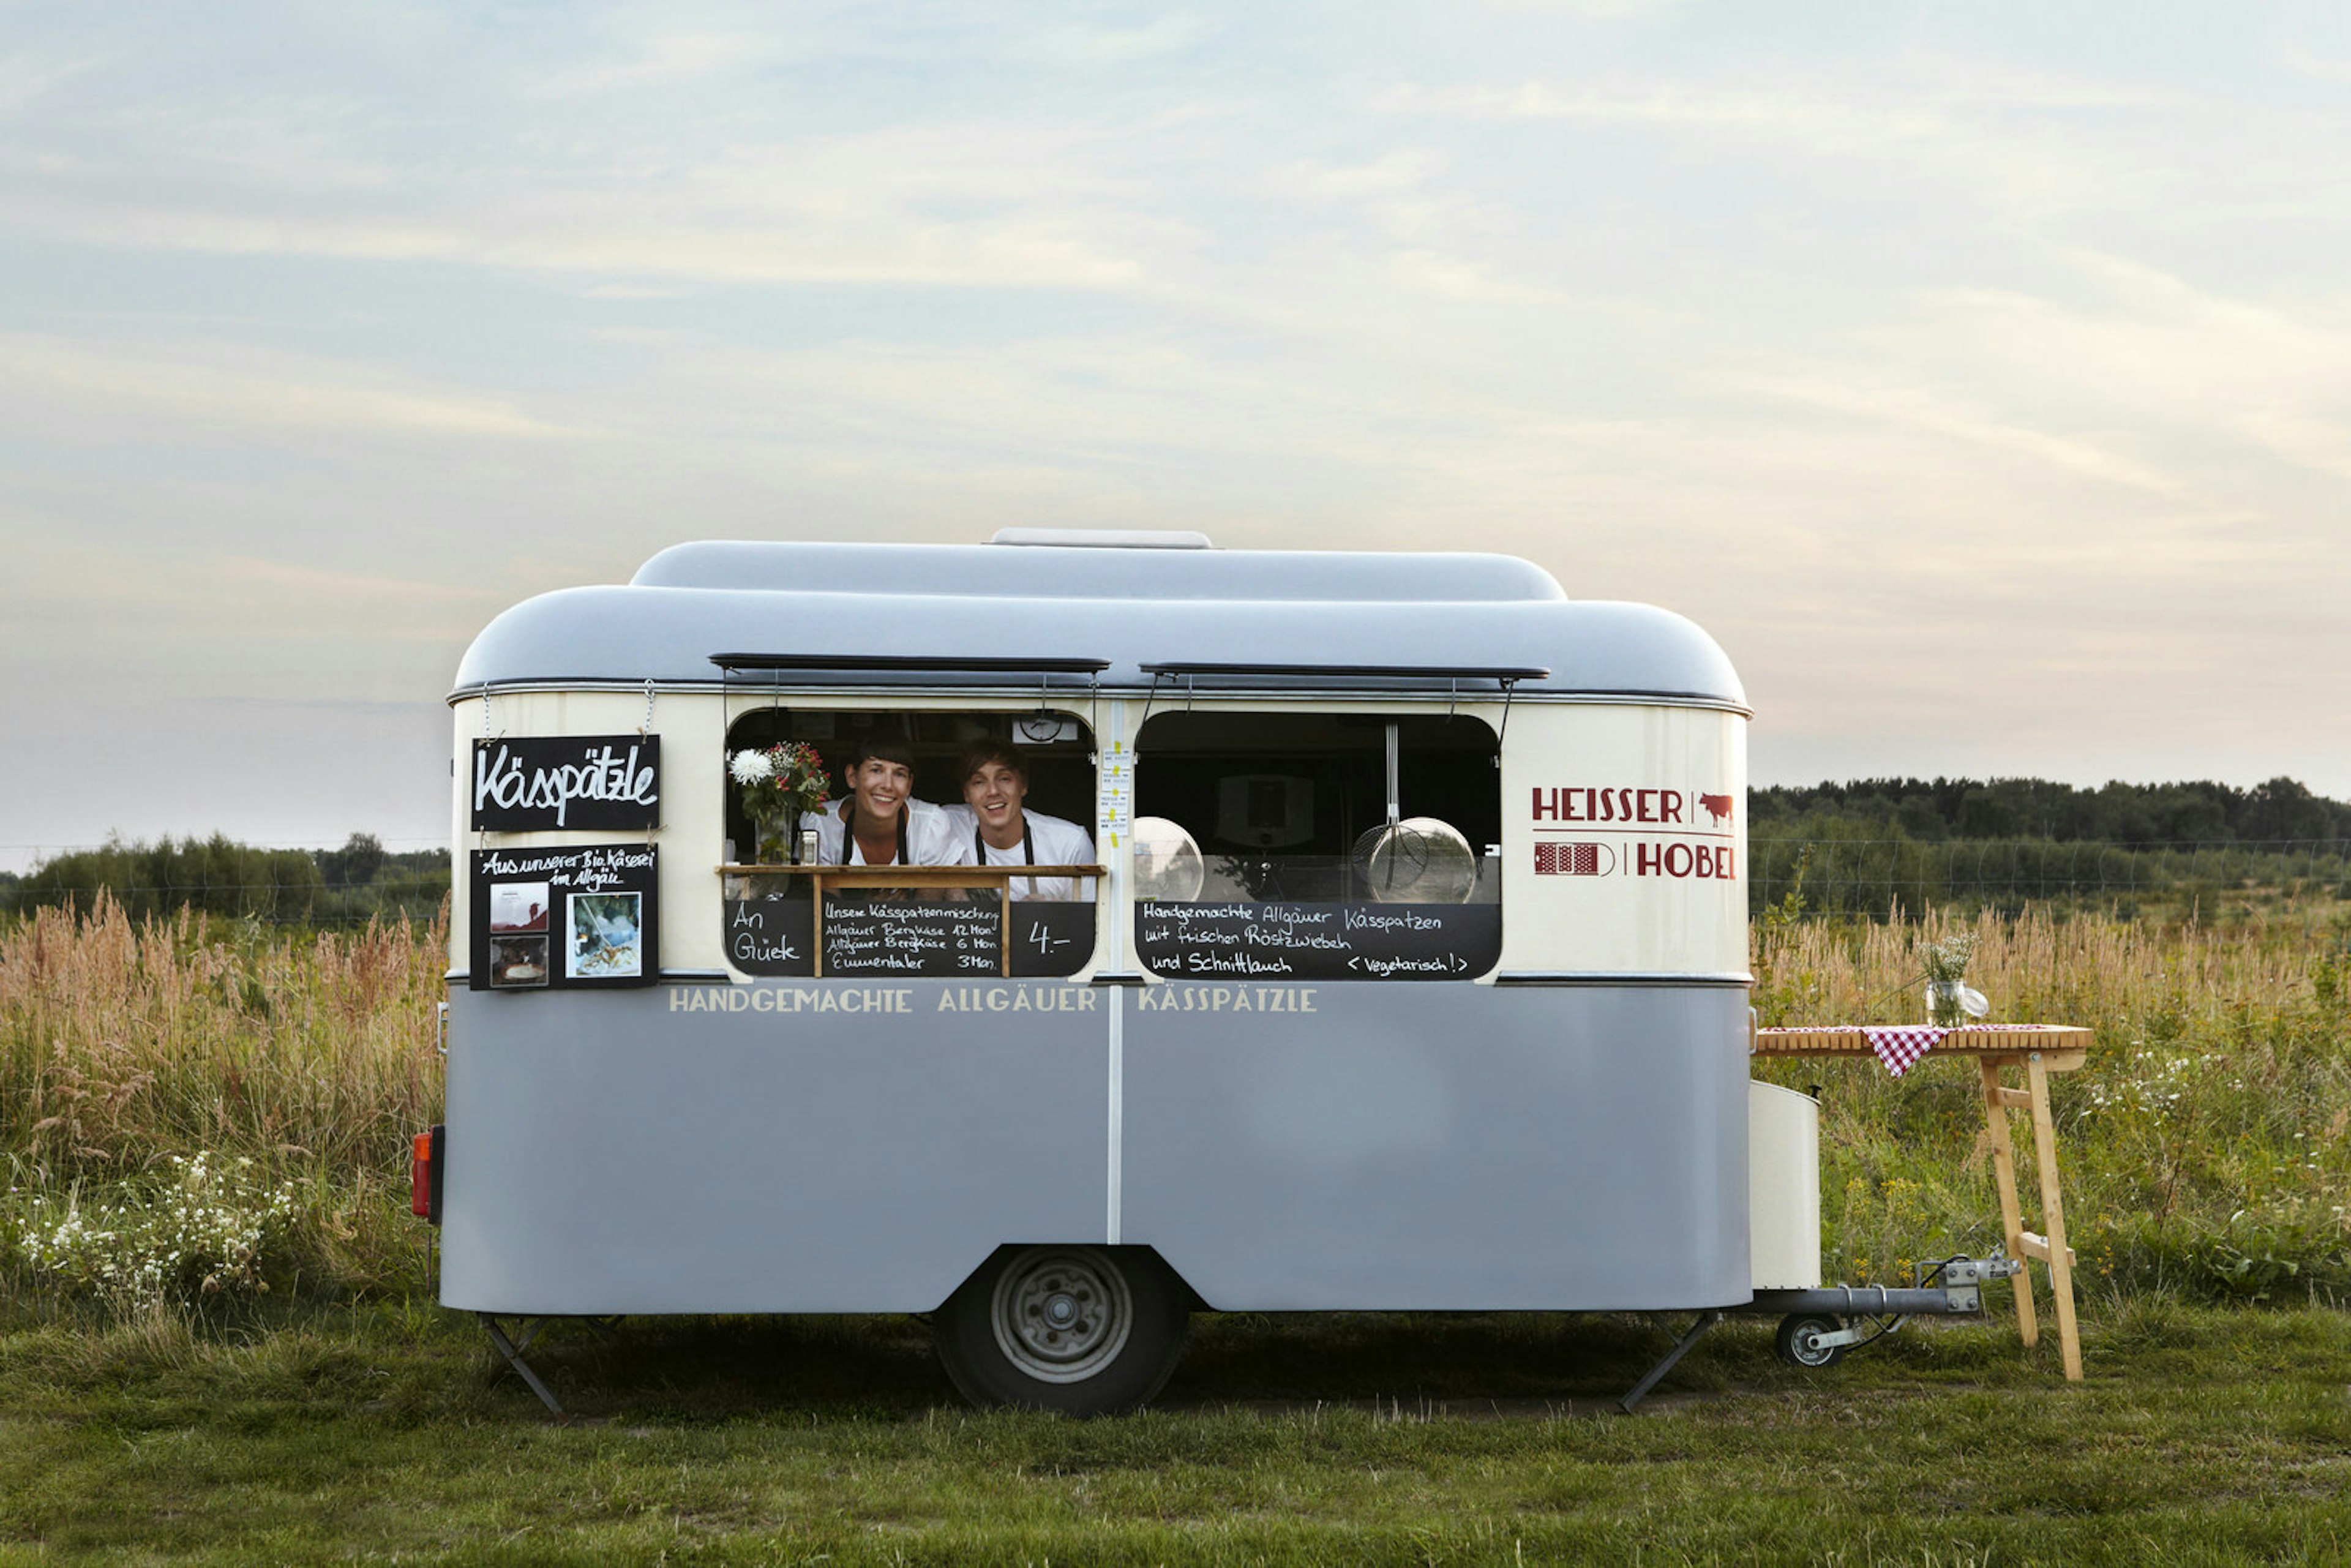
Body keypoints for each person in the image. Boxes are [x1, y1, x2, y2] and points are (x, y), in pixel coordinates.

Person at [943, 740, 1097, 901]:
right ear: (966, 794)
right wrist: (953, 887)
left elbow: (1092, 921)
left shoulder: (1069, 843)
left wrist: (1054, 914)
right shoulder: (946, 825)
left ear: (1023, 785)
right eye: (979, 782)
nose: (993, 791)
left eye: (1004, 779)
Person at [808, 729, 972, 869]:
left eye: (899, 774)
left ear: (909, 785)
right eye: (876, 770)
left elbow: (929, 904)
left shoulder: (929, 826)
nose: (888, 785)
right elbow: (823, 902)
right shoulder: (821, 824)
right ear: (852, 776)